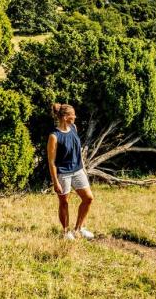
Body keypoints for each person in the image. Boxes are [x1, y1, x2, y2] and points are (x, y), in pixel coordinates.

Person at [47, 103, 94, 240]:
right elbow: (51, 161)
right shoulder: (54, 136)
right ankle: (66, 231)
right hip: (63, 173)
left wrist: (84, 169)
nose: (75, 116)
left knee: (88, 198)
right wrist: (55, 182)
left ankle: (79, 228)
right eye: (72, 114)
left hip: (78, 170)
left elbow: (76, 150)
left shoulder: (74, 128)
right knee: (64, 203)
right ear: (65, 117)